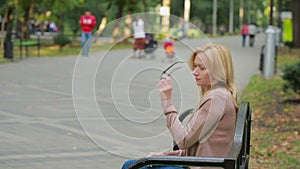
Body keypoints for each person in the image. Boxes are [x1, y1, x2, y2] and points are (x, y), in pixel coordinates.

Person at [121, 43, 238, 169]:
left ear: (218, 71)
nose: (194, 72)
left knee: (130, 166)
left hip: (204, 166)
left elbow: (183, 141)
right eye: (195, 66)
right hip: (203, 163)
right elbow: (193, 149)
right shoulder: (220, 94)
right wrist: (163, 156)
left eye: (201, 68)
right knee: (132, 165)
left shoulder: (217, 99)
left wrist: (167, 101)